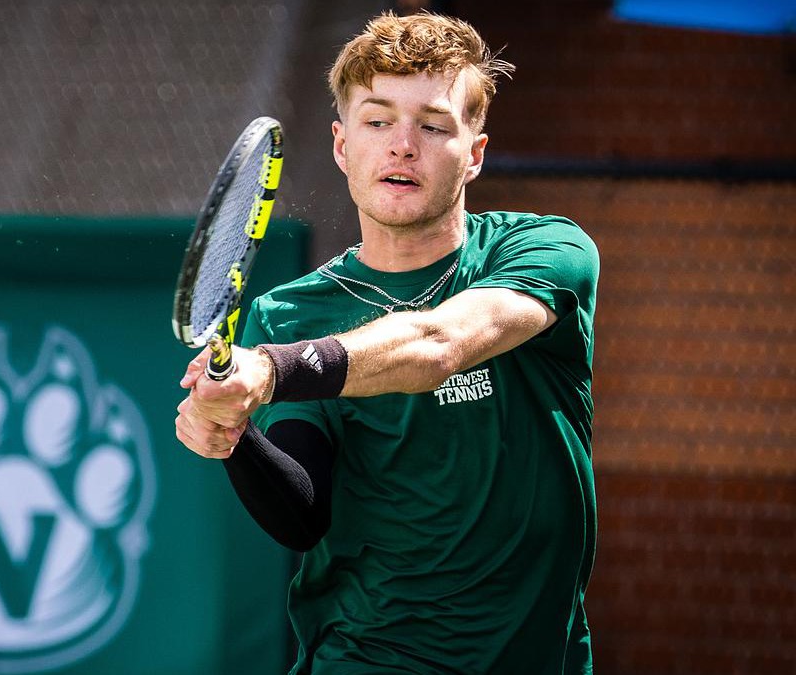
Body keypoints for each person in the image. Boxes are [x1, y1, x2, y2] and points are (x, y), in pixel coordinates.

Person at [174, 11, 599, 675]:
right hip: (365, 659)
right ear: (344, 147)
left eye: (432, 125)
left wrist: (274, 371)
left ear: (475, 153)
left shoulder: (546, 250)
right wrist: (233, 430)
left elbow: (441, 345)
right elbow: (302, 515)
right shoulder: (287, 314)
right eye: (377, 121)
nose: (403, 145)